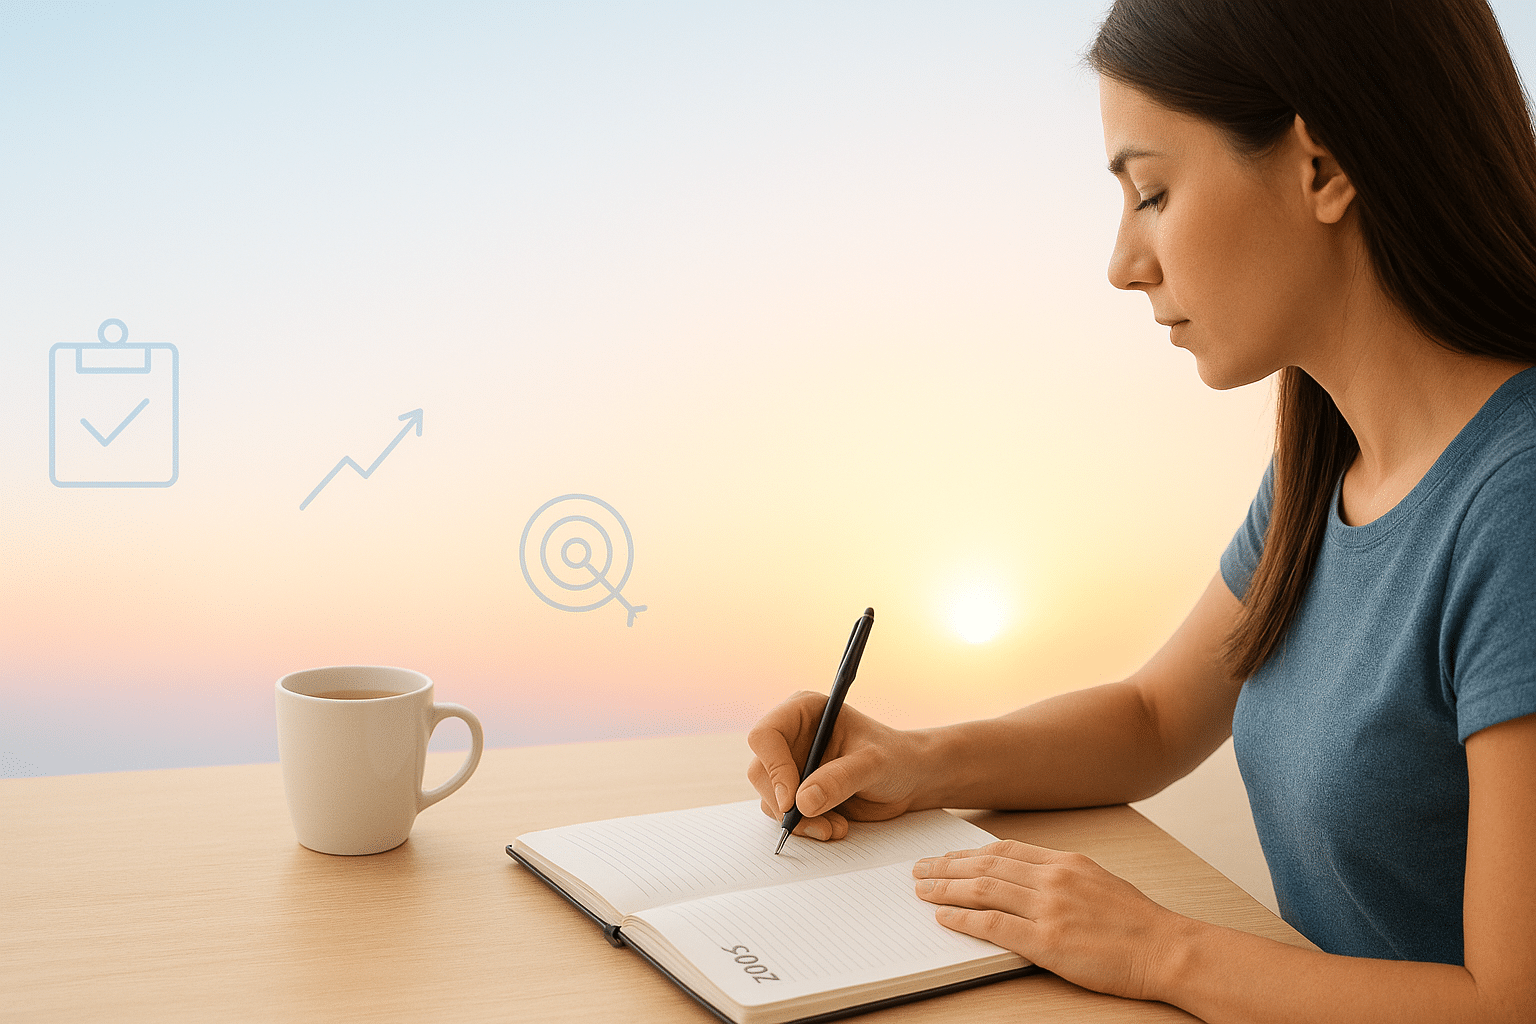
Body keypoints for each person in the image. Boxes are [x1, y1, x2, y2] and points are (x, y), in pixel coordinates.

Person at [745, 1, 1536, 1021]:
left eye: (1152, 192)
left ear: (1324, 168)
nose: (1123, 263)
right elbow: (1155, 719)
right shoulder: (1327, 461)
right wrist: (912, 760)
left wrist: (1157, 949)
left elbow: (1510, 1004)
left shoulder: (1512, 511)